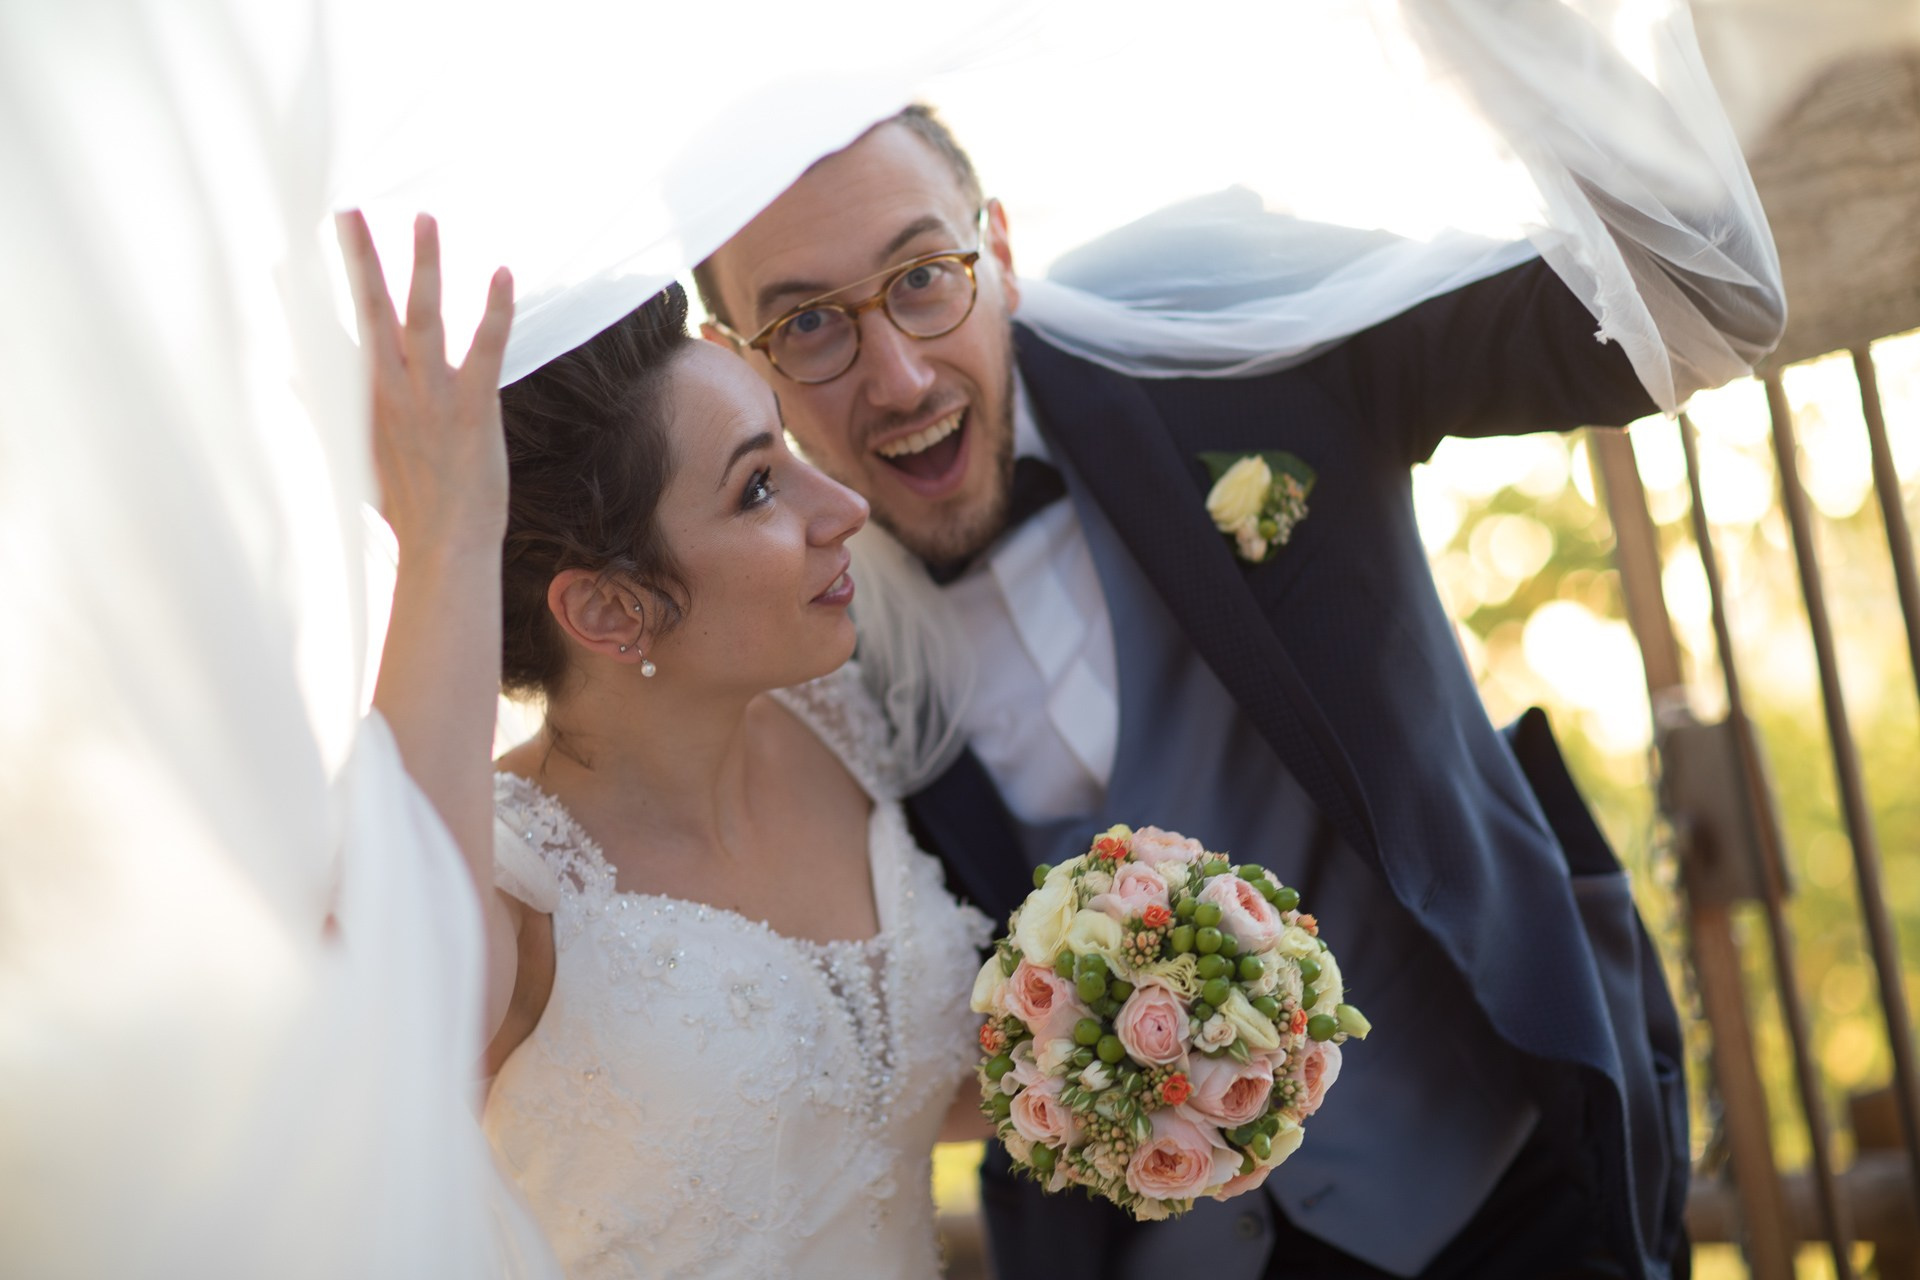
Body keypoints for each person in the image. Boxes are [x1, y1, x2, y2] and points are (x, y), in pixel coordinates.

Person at [691, 104, 1785, 1279]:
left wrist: (1511, 42)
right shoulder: (784, 643)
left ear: (998, 249)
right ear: (735, 356)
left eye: (922, 278)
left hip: (1514, 1175)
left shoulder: (1206, 327)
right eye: (807, 323)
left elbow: (1686, 309)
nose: (898, 377)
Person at [338, 210, 993, 1280]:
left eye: (784, 447)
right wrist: (445, 540)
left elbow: (872, 1114)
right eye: (759, 486)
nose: (844, 507)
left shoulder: (846, 721)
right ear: (609, 609)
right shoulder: (514, 885)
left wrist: (1096, 1065)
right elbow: (391, 1016)